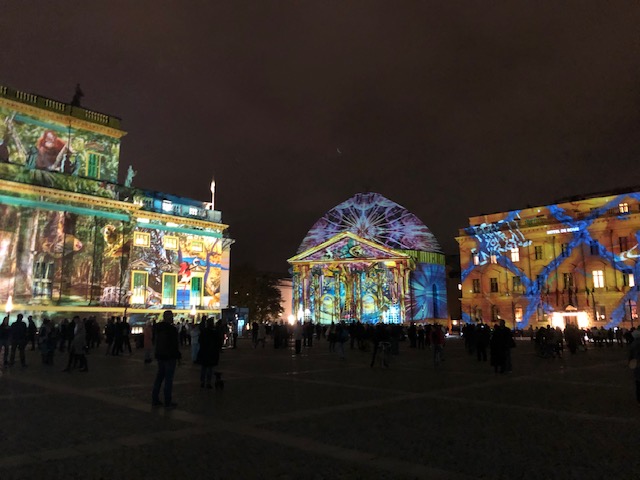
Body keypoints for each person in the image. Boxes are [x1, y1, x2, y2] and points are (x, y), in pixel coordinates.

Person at [151, 310, 181, 409]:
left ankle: (155, 399)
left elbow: (155, 341)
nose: (172, 318)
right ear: (168, 317)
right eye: (171, 316)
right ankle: (167, 401)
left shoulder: (158, 328)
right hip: (170, 356)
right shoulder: (172, 329)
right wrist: (178, 356)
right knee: (168, 379)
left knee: (159, 378)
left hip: (160, 355)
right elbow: (174, 345)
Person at [197, 318, 222, 388]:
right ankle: (208, 382)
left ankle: (202, 382)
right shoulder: (214, 332)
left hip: (204, 351)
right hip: (212, 352)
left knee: (204, 368)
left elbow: (200, 341)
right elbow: (218, 342)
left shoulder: (204, 332)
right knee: (210, 368)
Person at [629, 329, 640, 404]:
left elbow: (631, 356)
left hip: (637, 365)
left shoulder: (633, 344)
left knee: (638, 383)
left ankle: (639, 399)